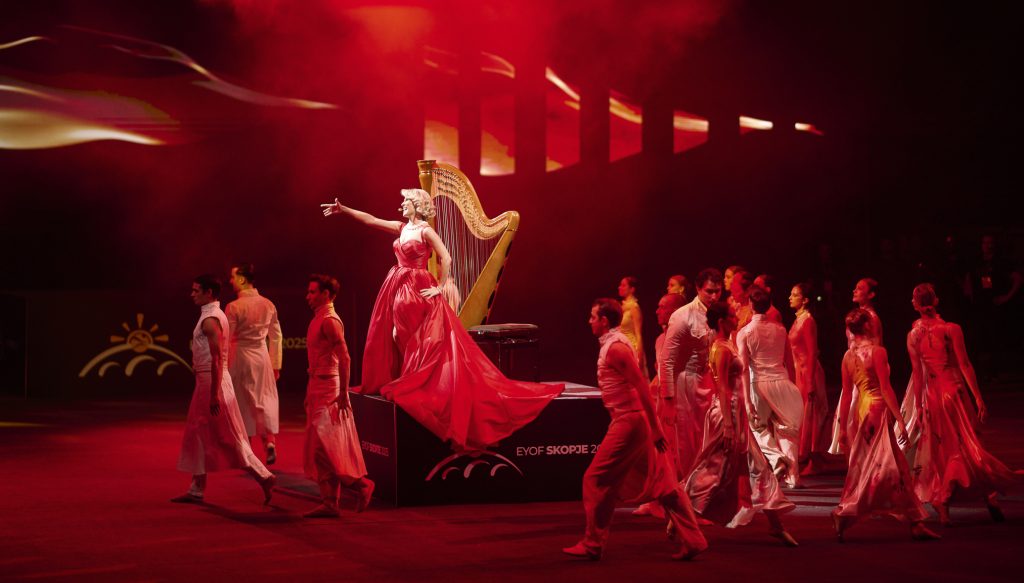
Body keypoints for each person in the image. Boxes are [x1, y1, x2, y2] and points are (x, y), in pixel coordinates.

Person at [321, 190, 562, 452]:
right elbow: (371, 220)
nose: (401, 204)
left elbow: (446, 257)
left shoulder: (425, 231)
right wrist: (344, 210)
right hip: (398, 285)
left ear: (417, 205)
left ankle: (416, 381)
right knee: (397, 335)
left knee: (415, 336)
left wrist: (440, 286)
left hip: (417, 286)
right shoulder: (402, 227)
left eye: (406, 201)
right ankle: (411, 378)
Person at [563, 299, 707, 561]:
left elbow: (641, 386)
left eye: (593, 317)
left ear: (604, 321)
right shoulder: (613, 344)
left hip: (630, 422)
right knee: (665, 485)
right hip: (631, 420)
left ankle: (593, 543)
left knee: (595, 479)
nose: (589, 321)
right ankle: (694, 540)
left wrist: (655, 428)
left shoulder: (616, 348)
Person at [685, 301, 798, 546]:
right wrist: (728, 424)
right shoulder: (721, 349)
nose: (737, 318)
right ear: (722, 321)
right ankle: (679, 513)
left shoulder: (728, 344)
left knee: (759, 467)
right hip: (727, 416)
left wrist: (745, 410)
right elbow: (723, 389)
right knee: (714, 471)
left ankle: (776, 525)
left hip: (737, 416)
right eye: (732, 315)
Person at [904, 283, 1016, 525]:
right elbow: (964, 364)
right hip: (953, 392)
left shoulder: (913, 335)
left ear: (917, 305)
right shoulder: (951, 329)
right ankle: (986, 496)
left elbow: (917, 373)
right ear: (936, 301)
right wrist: (978, 397)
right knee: (967, 445)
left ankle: (946, 503)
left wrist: (920, 406)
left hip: (933, 396)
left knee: (944, 451)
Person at [832, 309, 939, 542]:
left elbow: (847, 395)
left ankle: (912, 522)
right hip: (877, 410)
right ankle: (848, 511)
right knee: (889, 467)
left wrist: (843, 428)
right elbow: (885, 388)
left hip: (862, 412)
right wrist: (900, 419)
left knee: (872, 465)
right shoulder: (877, 352)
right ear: (867, 326)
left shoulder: (847, 356)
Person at [173, 275, 275, 505]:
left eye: (196, 290)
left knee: (230, 437)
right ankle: (196, 488)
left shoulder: (211, 319)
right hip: (208, 382)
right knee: (199, 433)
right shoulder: (212, 315)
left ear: (209, 293)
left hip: (212, 382)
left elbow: (217, 358)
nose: (192, 294)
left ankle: (264, 475)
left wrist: (214, 394)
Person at [302, 274, 375, 518]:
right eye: (309, 292)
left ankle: (361, 485)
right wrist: (309, 392)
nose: (308, 296)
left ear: (326, 294)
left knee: (327, 446)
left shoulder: (330, 321)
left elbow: (345, 357)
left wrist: (343, 392)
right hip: (318, 387)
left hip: (330, 389)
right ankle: (329, 503)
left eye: (313, 292)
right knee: (320, 449)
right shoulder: (318, 319)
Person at [737, 287, 804, 489]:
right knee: (787, 430)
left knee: (757, 426)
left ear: (750, 304)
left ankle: (776, 459)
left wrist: (747, 400)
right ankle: (793, 476)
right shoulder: (780, 329)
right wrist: (792, 385)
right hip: (781, 381)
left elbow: (743, 368)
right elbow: (789, 361)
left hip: (758, 384)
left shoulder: (745, 332)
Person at [661, 268, 723, 477]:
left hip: (709, 380)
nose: (714, 296)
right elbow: (667, 360)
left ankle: (703, 484)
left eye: (717, 291)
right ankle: (688, 483)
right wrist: (668, 398)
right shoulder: (682, 316)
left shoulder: (718, 314)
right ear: (698, 288)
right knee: (687, 439)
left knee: (709, 436)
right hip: (686, 382)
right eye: (709, 291)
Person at [633, 292, 688, 518]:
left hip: (679, 402)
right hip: (662, 400)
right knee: (659, 452)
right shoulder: (659, 339)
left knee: (677, 453)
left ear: (675, 311)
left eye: (662, 307)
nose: (657, 311)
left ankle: (677, 502)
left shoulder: (685, 338)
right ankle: (657, 499)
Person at [226, 263, 283, 465]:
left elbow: (226, 338)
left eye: (233, 277)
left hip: (240, 356)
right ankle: (269, 442)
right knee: (263, 399)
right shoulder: (268, 304)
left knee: (241, 403)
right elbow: (276, 337)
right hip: (261, 358)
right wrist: (275, 364)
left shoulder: (234, 307)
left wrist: (222, 364)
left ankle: (246, 452)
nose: (230, 281)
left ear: (242, 279)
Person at [830, 277, 883, 456]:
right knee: (850, 411)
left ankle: (863, 456)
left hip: (864, 373)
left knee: (857, 412)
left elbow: (876, 345)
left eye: (860, 288)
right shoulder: (857, 315)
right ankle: (856, 456)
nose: (854, 291)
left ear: (871, 294)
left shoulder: (872, 318)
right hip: (853, 368)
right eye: (855, 288)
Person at [787, 283, 830, 475]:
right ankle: (807, 458)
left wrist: (811, 380)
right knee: (804, 414)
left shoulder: (808, 321)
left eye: (795, 295)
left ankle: (814, 460)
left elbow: (812, 352)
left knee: (812, 414)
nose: (790, 297)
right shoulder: (798, 319)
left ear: (805, 300)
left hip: (808, 372)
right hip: (800, 372)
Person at [617, 276, 647, 375]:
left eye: (623, 285)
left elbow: (638, 333)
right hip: (622, 347)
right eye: (620, 285)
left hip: (632, 347)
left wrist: (640, 356)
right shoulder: (621, 307)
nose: (619, 287)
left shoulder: (634, 307)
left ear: (632, 289)